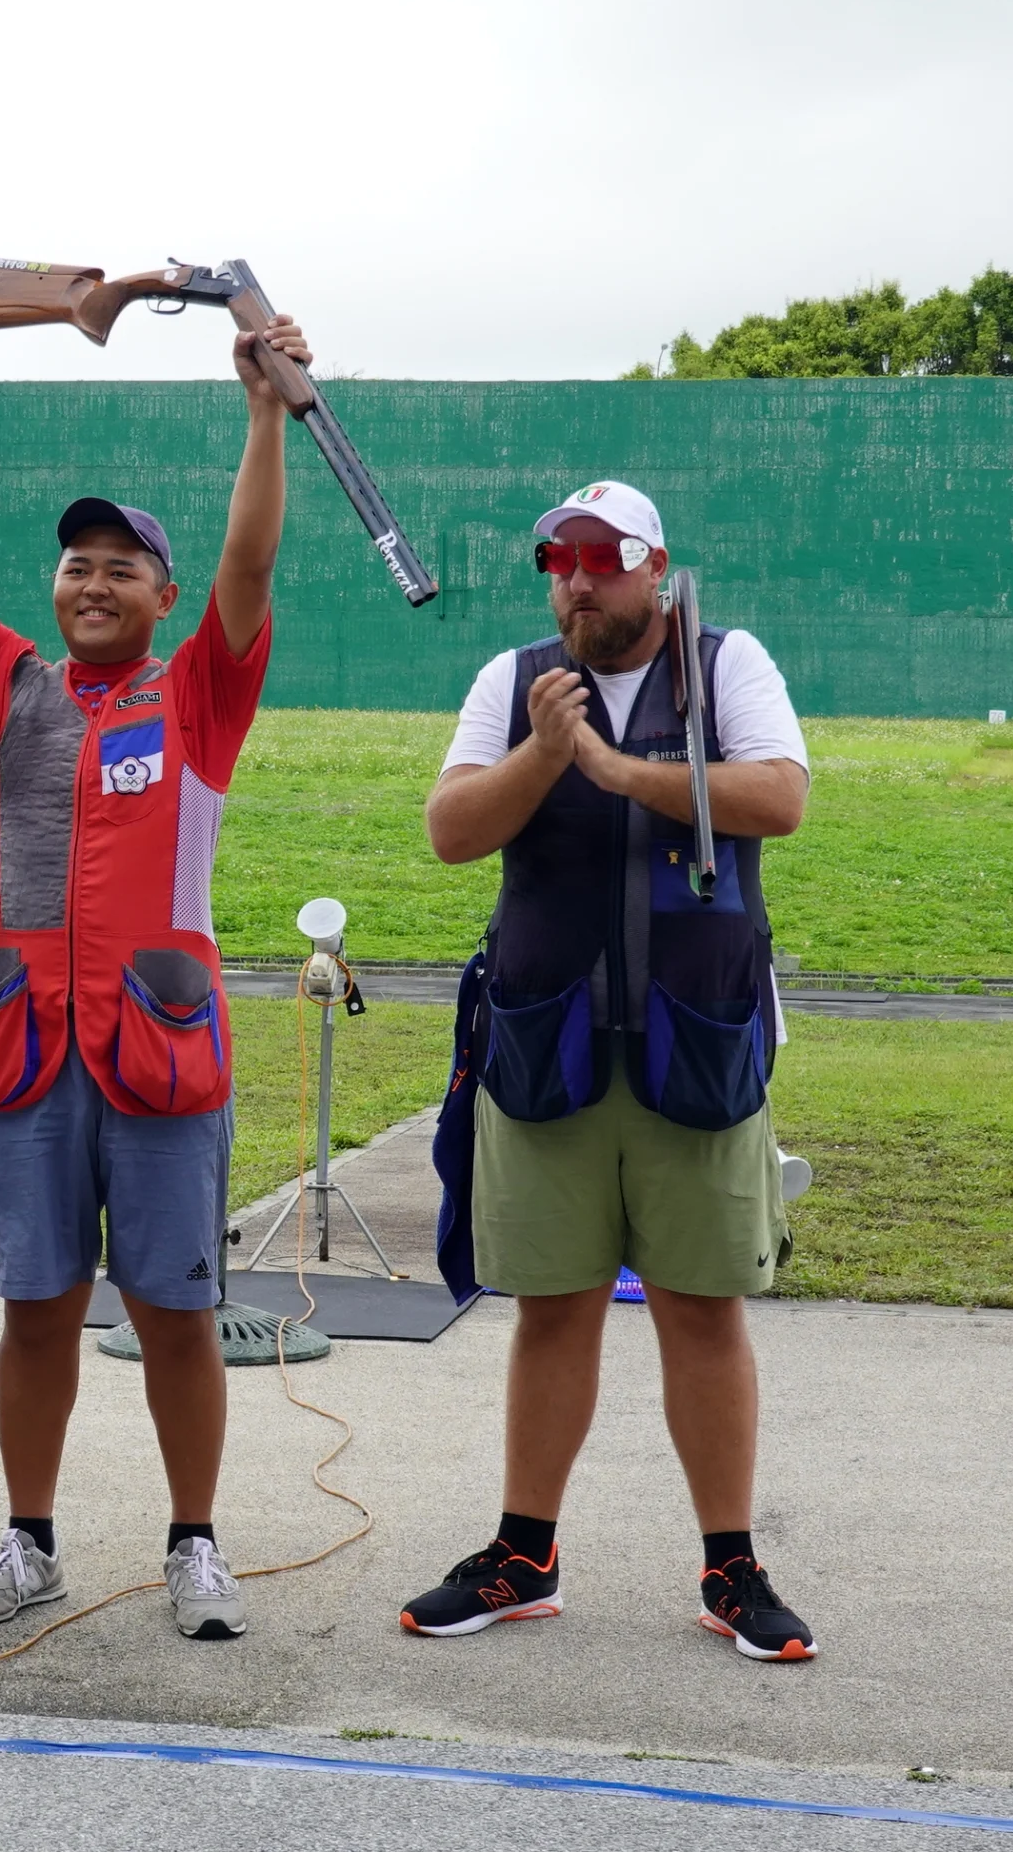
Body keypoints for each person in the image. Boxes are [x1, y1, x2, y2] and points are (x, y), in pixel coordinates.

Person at [0, 309, 311, 1641]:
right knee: (37, 1313)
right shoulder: (4, 688)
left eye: (122, 567)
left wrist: (263, 414)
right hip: (28, 1058)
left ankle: (194, 1545)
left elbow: (250, 557)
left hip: (161, 1055)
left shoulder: (200, 696)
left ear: (163, 597)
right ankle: (31, 1543)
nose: (94, 581)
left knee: (177, 1314)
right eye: (76, 564)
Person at [404, 481, 818, 1662]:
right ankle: (521, 1553)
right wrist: (546, 754)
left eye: (597, 557)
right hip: (548, 1044)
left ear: (653, 566)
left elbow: (778, 796)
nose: (574, 580)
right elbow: (449, 827)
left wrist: (622, 770)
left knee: (699, 1309)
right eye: (556, 559)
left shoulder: (726, 664)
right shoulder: (513, 676)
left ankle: (729, 1564)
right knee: (550, 1308)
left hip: (696, 1038)